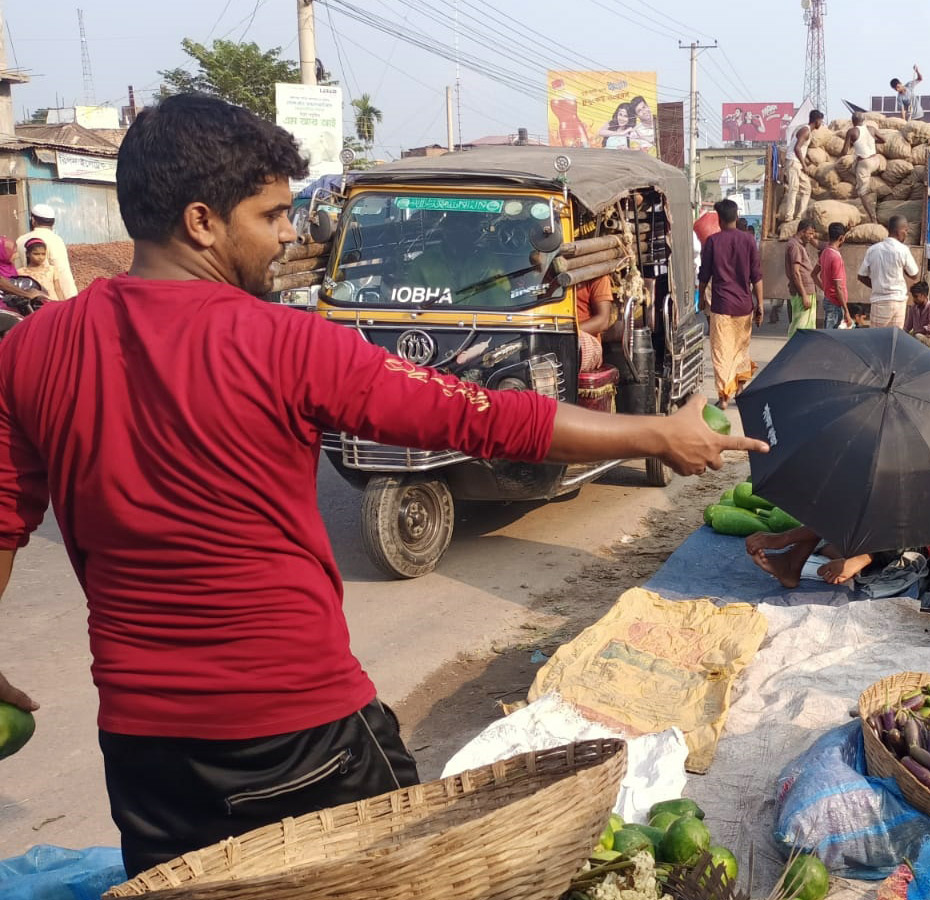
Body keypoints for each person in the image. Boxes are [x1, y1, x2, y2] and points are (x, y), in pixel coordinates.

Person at [0, 94, 765, 877]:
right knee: (411, 881)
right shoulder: (285, 342)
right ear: (202, 221)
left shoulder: (31, 350)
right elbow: (483, 418)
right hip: (300, 729)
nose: (291, 233)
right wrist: (655, 433)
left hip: (144, 750)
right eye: (270, 216)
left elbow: (2, 522)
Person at [699, 198, 765, 408]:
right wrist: (760, 304)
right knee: (740, 349)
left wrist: (701, 298)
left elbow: (704, 275)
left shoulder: (713, 241)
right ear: (736, 217)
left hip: (721, 305)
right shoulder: (748, 241)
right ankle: (739, 389)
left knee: (721, 351)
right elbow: (757, 277)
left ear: (718, 219)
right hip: (744, 305)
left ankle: (724, 396)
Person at [744, 526, 884, 588]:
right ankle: (793, 562)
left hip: (888, 546)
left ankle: (791, 557)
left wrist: (862, 559)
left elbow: (901, 534)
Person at [857, 215, 919, 328]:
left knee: (876, 339)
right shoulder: (903, 250)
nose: (906, 233)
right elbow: (914, 274)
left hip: (880, 302)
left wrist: (876, 285)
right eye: (905, 230)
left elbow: (861, 276)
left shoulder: (873, 250)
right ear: (897, 231)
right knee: (895, 340)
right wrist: (903, 268)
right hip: (899, 302)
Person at [19, 203, 78, 299]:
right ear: (53, 223)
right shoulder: (55, 240)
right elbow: (62, 271)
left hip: (28, 298)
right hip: (50, 299)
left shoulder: (21, 240)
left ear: (33, 221)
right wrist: (71, 298)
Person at [783, 110, 824, 224]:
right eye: (820, 121)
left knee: (806, 188)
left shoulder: (807, 131)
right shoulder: (805, 130)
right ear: (816, 121)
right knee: (793, 188)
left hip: (797, 163)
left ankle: (800, 216)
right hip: (793, 162)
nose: (821, 123)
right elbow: (797, 148)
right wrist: (805, 165)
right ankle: (789, 217)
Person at [846, 113, 885, 223]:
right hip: (876, 160)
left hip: (865, 163)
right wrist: (872, 141)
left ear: (853, 121)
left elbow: (844, 151)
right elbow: (884, 140)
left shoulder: (852, 131)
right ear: (864, 120)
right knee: (855, 167)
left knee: (862, 193)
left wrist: (852, 144)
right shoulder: (871, 129)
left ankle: (873, 217)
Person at [574, 272, 615, 372]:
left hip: (585, 340)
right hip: (551, 335)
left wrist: (567, 333)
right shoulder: (549, 274)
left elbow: (603, 321)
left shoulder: (598, 275)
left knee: (568, 348)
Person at [785, 219, 819, 337]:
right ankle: (793, 353)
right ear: (803, 231)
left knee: (807, 328)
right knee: (799, 327)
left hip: (807, 291)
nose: (811, 237)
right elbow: (795, 273)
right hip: (802, 293)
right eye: (810, 233)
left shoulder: (800, 245)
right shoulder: (795, 246)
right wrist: (804, 295)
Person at [817, 222, 848, 329]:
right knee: (830, 338)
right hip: (835, 303)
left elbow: (813, 274)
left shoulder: (825, 252)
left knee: (829, 336)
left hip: (828, 299)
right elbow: (838, 286)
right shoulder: (836, 257)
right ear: (841, 238)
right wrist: (846, 311)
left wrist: (825, 288)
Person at [0, 236, 50, 304]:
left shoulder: (10, 267)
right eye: (12, 252)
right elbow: (3, 284)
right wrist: (28, 294)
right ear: (2, 253)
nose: (17, 255)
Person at [903, 281, 930, 346]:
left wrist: (917, 332)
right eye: (913, 297)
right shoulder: (913, 308)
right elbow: (907, 327)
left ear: (924, 295)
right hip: (917, 338)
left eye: (916, 296)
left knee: (917, 336)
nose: (914, 300)